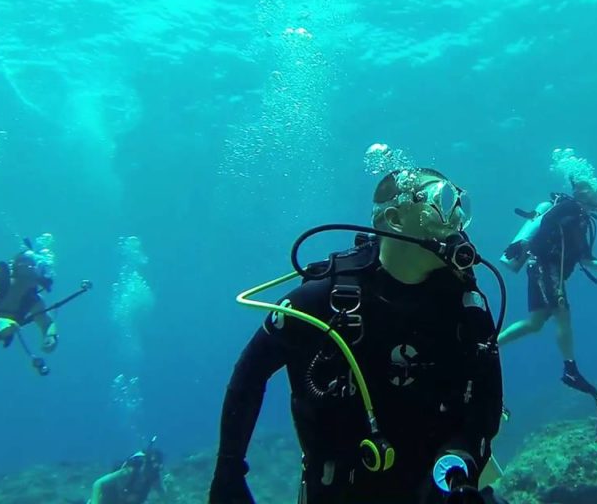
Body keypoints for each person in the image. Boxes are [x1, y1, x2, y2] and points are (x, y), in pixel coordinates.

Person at [209, 168, 509, 504]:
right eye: (441, 202)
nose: (454, 221)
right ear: (394, 218)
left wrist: (460, 465)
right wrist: (229, 469)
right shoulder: (322, 298)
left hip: (437, 487)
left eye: (459, 206)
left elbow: (485, 406)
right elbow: (250, 374)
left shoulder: (464, 305)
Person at [497, 173, 597, 444]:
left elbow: (585, 258)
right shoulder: (570, 208)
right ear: (584, 193)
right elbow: (546, 225)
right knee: (563, 317)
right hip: (546, 270)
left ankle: (488, 344)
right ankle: (570, 369)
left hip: (545, 270)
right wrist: (526, 245)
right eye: (596, 190)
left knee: (535, 323)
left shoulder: (580, 219)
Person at [88, 444, 168, 504]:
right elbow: (98, 483)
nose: (153, 473)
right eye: (152, 467)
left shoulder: (154, 479)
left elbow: (165, 498)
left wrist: (170, 490)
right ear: (146, 464)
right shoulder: (128, 472)